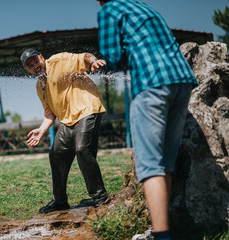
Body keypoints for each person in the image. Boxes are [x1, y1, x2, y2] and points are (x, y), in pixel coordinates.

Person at [96, 0, 198, 240]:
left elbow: (112, 55)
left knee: (150, 165)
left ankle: (161, 236)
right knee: (166, 163)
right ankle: (162, 229)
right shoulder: (144, 7)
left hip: (152, 83)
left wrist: (105, 64)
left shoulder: (109, 10)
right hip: (182, 80)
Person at [20, 49, 109, 213]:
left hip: (87, 108)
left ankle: (101, 198)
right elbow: (49, 113)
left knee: (82, 149)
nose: (35, 66)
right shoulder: (40, 86)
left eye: (35, 61)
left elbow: (84, 57)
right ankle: (59, 201)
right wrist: (41, 130)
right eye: (30, 65)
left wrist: (94, 61)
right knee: (56, 154)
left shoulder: (58, 60)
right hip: (69, 120)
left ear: (41, 57)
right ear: (27, 70)